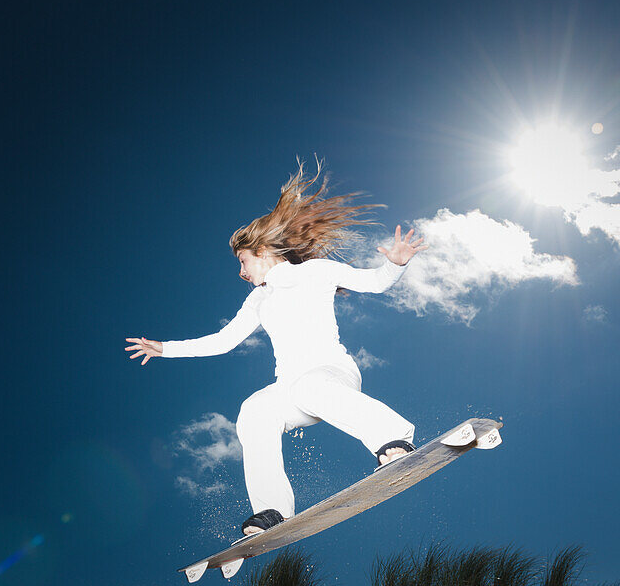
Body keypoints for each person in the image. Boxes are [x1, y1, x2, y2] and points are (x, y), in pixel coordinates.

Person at [125, 162, 426, 537]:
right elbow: (223, 341)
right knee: (254, 410)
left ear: (264, 249)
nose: (241, 273)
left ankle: (394, 442)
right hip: (293, 390)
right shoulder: (259, 301)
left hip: (332, 374)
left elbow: (376, 283)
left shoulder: (316, 271)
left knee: (309, 386)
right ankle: (271, 512)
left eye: (243, 261)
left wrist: (394, 265)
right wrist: (165, 349)